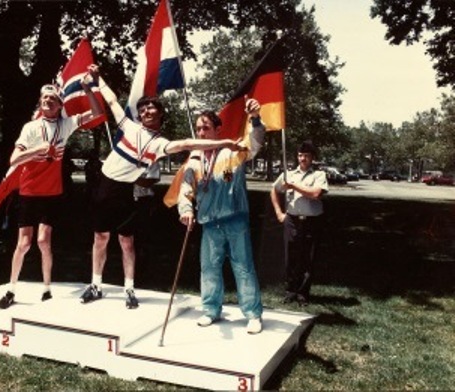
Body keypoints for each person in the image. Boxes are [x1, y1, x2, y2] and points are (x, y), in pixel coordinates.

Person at [80, 67, 247, 309]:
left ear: (160, 114)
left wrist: (224, 142)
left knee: (127, 242)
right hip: (105, 186)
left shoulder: (160, 143)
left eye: (151, 108)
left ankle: (129, 289)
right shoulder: (129, 126)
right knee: (100, 237)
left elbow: (187, 143)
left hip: (127, 191)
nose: (146, 111)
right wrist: (98, 79)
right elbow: (111, 99)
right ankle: (95, 284)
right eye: (143, 109)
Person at [0, 67, 104, 309]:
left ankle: (47, 288)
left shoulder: (66, 125)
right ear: (40, 103)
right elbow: (14, 159)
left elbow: (97, 112)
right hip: (29, 191)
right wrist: (39, 149)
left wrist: (88, 88)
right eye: (45, 99)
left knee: (44, 241)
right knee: (24, 243)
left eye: (53, 99)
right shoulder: (30, 128)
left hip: (52, 194)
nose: (48, 101)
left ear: (59, 104)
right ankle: (10, 289)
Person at [177, 101, 265, 334]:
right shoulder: (195, 159)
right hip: (209, 224)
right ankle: (210, 310)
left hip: (235, 220)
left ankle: (253, 314)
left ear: (218, 130)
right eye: (198, 129)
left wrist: (255, 118)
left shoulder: (230, 152)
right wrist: (186, 209)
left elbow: (255, 144)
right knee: (209, 268)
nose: (201, 133)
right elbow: (186, 187)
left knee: (243, 267)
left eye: (206, 128)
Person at [270, 140, 328, 305]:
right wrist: (279, 213)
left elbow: (316, 193)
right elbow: (274, 190)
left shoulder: (319, 175)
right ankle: (290, 291)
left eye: (307, 156)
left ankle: (303, 293)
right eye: (300, 155)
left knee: (308, 258)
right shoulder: (289, 174)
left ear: (312, 158)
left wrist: (294, 186)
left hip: (311, 221)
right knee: (291, 258)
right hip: (292, 221)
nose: (302, 159)